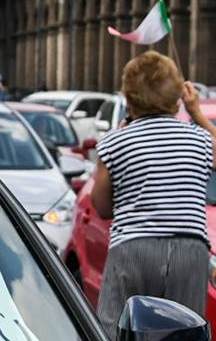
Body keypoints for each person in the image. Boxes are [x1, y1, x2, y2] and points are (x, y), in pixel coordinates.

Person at [90, 52, 216, 334]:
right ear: (177, 99)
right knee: (185, 330)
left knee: (115, 326)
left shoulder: (115, 142)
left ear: (128, 98)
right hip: (189, 249)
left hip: (133, 246)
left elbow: (101, 205)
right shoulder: (199, 139)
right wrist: (196, 113)